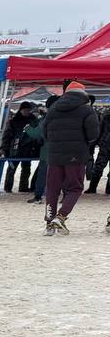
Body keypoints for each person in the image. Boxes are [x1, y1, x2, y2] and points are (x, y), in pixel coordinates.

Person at [41, 82, 100, 234]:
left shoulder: (53, 109)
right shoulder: (86, 110)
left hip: (54, 154)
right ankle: (61, 217)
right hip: (76, 155)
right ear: (83, 93)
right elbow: (93, 134)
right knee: (75, 188)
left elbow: (44, 131)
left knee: (53, 189)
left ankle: (49, 223)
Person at [25, 95, 60, 204]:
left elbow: (37, 133)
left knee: (43, 175)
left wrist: (27, 128)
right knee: (62, 175)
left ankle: (38, 196)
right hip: (64, 151)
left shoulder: (47, 117)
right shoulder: (67, 115)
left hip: (48, 151)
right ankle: (65, 196)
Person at [2, 101, 38, 194]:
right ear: (21, 110)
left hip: (28, 148)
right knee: (12, 168)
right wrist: (5, 149)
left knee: (26, 168)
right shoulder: (14, 121)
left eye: (28, 110)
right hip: (15, 148)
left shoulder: (33, 120)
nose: (27, 111)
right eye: (25, 110)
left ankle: (23, 187)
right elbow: (7, 136)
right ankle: (8, 187)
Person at [86, 106, 110, 193]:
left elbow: (100, 131)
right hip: (105, 145)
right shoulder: (107, 116)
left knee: (98, 167)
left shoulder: (106, 116)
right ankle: (95, 188)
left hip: (105, 145)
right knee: (98, 168)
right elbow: (100, 130)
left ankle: (93, 188)